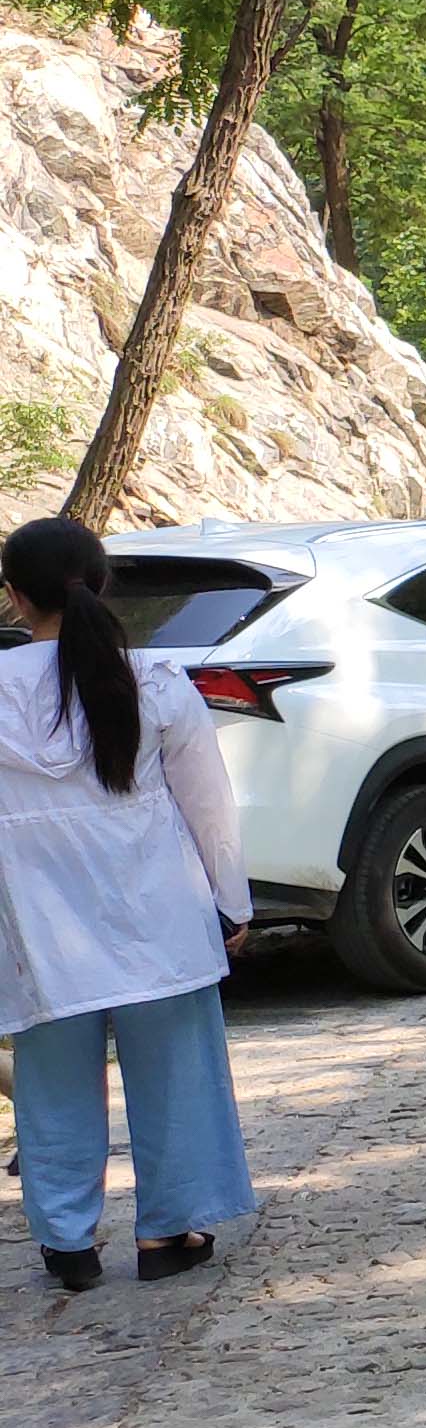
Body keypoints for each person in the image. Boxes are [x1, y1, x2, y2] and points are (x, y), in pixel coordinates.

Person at [0, 517, 256, 1291]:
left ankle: (67, 1243)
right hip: (160, 911)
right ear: (103, 584)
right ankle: (167, 1233)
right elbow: (209, 807)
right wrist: (232, 902)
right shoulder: (156, 681)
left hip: (36, 924)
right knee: (177, 1073)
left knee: (50, 1085)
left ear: (13, 598)